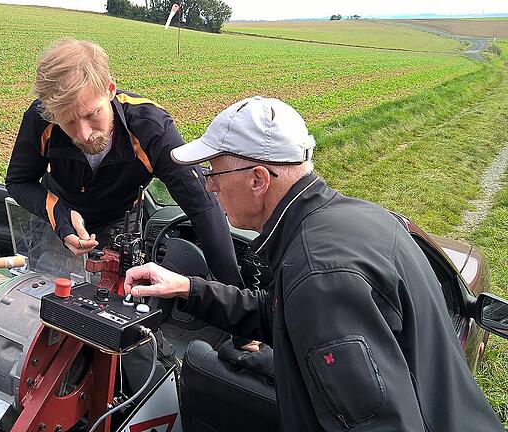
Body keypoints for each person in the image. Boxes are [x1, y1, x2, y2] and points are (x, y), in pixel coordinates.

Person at [124, 96, 503, 431]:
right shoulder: (356, 217)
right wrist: (186, 287)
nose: (209, 186)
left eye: (213, 172)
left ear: (258, 180)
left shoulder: (320, 277)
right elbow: (280, 311)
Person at [4, 38, 241, 287]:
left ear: (110, 89)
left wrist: (234, 296)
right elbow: (19, 181)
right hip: (57, 223)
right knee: (49, 297)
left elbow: (202, 207)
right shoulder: (42, 118)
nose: (84, 134)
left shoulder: (151, 128)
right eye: (68, 122)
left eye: (91, 114)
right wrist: (60, 217)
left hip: (121, 225)